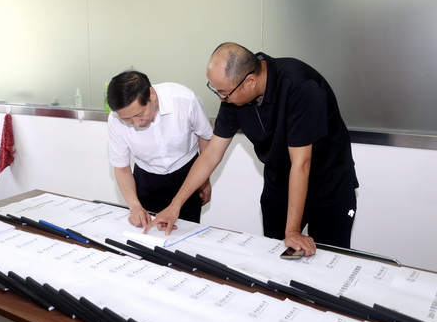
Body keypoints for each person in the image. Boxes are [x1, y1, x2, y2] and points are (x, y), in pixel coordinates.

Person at [145, 43, 358, 256]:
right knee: (275, 257)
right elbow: (211, 154)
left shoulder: (299, 85)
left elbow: (301, 162)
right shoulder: (233, 96)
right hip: (280, 187)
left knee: (330, 261)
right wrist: (175, 205)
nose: (221, 98)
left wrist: (292, 230)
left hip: (329, 188)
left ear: (250, 81)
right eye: (216, 90)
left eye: (223, 92)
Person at [107, 70, 213, 226]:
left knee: (187, 233)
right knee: (147, 233)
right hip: (147, 180)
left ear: (152, 95)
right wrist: (135, 207)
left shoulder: (184, 99)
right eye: (127, 119)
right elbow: (121, 167)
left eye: (139, 114)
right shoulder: (115, 120)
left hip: (188, 174)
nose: (136, 123)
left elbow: (205, 137)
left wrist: (204, 180)